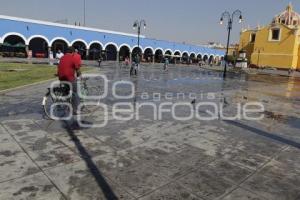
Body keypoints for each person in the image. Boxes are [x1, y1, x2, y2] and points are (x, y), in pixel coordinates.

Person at [57, 47, 82, 115]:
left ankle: (65, 104)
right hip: (69, 78)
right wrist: (80, 76)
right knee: (75, 92)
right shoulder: (73, 58)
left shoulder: (62, 57)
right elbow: (77, 69)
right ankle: (76, 110)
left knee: (66, 89)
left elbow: (59, 67)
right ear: (73, 52)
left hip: (61, 78)